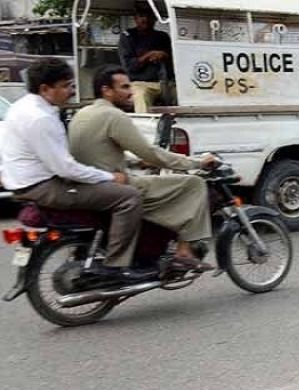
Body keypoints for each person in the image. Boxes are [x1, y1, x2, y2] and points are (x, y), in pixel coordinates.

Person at [0, 57, 148, 281]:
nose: (71, 91)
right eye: (66, 86)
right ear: (45, 89)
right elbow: (66, 169)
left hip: (25, 183)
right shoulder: (40, 119)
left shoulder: (22, 107)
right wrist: (109, 177)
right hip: (45, 186)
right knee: (129, 197)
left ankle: (91, 248)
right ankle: (116, 267)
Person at [68, 65, 216, 269]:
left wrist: (134, 162)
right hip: (118, 186)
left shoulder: (82, 113)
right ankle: (184, 251)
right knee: (194, 184)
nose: (130, 92)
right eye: (124, 87)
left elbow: (100, 150)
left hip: (92, 184)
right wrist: (195, 162)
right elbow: (151, 152)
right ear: (106, 90)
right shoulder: (114, 116)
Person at [118, 3, 174, 113]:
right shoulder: (127, 36)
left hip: (166, 82)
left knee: (184, 95)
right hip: (140, 82)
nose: (146, 19)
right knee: (140, 95)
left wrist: (164, 55)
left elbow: (174, 59)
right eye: (142, 16)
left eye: (150, 16)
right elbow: (128, 66)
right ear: (135, 18)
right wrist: (148, 56)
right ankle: (144, 128)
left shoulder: (163, 36)